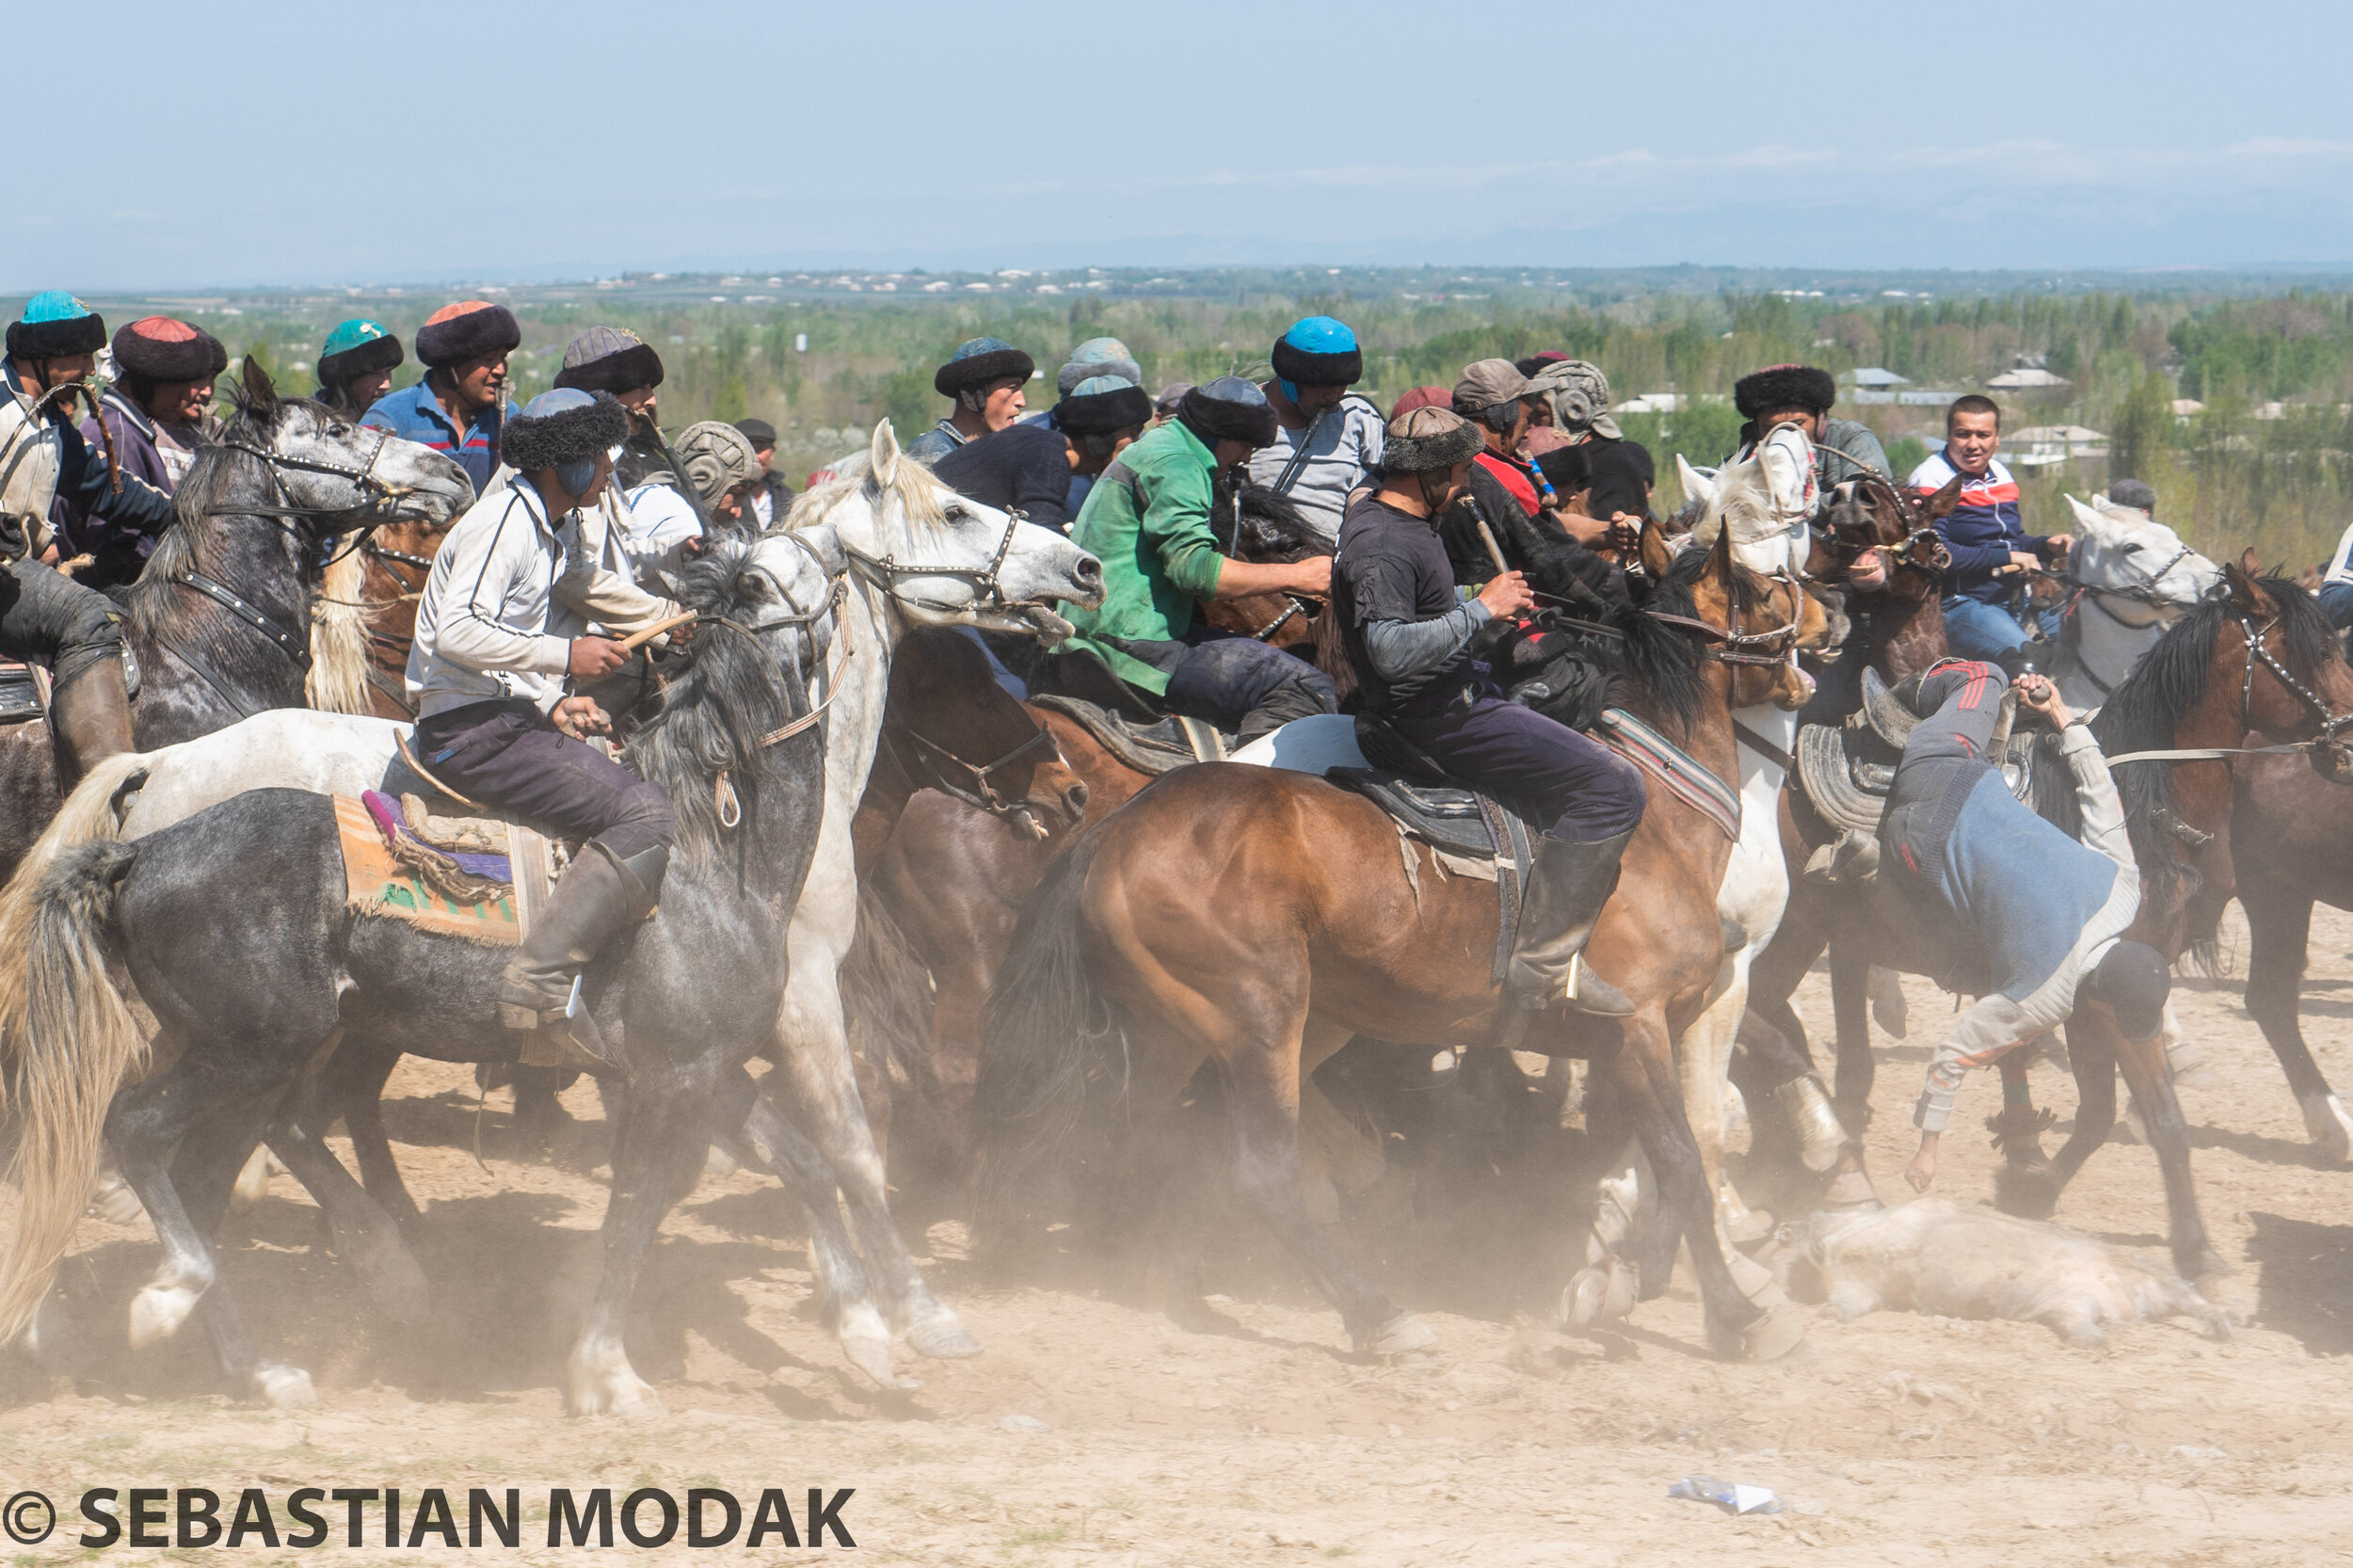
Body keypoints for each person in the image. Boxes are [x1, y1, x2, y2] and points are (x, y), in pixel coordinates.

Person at [1331, 406, 1646, 1017]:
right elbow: (1387, 649)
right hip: (1437, 715)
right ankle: (1546, 964)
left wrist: (1479, 601)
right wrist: (1481, 611)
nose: (1466, 483)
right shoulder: (1383, 541)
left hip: (1459, 690)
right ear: (1431, 474)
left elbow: (1422, 609)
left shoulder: (1409, 521)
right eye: (1460, 471)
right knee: (1615, 786)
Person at [405, 389, 675, 1062]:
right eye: (600, 460)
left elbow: (522, 626)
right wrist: (567, 657)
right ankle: (540, 980)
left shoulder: (546, 526)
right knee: (645, 813)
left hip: (499, 718)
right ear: (567, 464)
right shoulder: (505, 522)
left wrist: (550, 702)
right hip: (470, 734)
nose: (610, 472)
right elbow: (459, 633)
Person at [1876, 660, 2163, 1193]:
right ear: (2104, 1003)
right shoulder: (2046, 1003)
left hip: (1953, 766)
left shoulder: (2125, 888)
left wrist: (2058, 712)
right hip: (1915, 841)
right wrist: (1927, 1150)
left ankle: (1895, 695)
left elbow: (2099, 790)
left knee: (1981, 672)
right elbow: (1951, 1057)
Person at [1054, 376, 1336, 740]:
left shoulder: (1160, 445)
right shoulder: (1178, 463)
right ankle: (1247, 791)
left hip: (1100, 633)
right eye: (1247, 445)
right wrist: (1298, 577)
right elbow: (1195, 572)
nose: (1247, 458)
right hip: (1124, 643)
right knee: (1304, 688)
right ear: (1224, 434)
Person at [0, 294, 174, 779]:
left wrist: (182, 514)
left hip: (18, 571)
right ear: (42, 357)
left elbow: (105, 489)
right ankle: (105, 782)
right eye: (78, 357)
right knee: (91, 615)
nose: (90, 368)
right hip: (6, 575)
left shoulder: (50, 418)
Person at [1436, 360, 1622, 606]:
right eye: (1527, 419)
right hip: (1510, 623)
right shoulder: (1502, 477)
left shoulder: (1446, 464)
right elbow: (1556, 557)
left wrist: (1608, 533)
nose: (1527, 432)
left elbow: (1552, 528)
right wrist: (1629, 588)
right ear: (1502, 416)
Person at [64, 315, 226, 586]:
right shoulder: (118, 436)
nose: (198, 393)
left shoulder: (131, 429)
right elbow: (119, 554)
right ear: (151, 381)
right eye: (185, 382)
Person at [1909, 395, 2072, 663]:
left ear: (1996, 439)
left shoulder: (2000, 473)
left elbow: (2012, 541)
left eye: (1983, 435)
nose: (1973, 444)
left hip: (2016, 595)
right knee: (2028, 662)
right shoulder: (1931, 478)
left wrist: (2046, 545)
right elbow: (1938, 553)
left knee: (2077, 646)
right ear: (1948, 435)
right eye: (1963, 434)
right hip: (1960, 603)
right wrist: (2008, 557)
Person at [934, 374, 1152, 532]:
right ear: (1102, 439)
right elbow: (1046, 540)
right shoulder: (1047, 456)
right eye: (1132, 434)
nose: (1136, 444)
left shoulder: (1039, 445)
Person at [1245, 316, 1385, 546]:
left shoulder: (1358, 416)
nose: (1333, 396)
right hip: (1269, 562)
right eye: (1322, 388)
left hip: (1339, 565)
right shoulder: (1246, 416)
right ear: (1291, 378)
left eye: (1342, 386)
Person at [362, 299, 520, 494]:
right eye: (488, 359)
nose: (501, 370)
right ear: (450, 367)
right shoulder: (389, 419)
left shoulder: (509, 418)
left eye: (503, 357)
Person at [1730, 364, 1889, 487]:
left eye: (1798, 424)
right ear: (1756, 429)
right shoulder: (1742, 460)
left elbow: (1871, 497)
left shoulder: (1852, 440)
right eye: (1770, 428)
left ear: (1820, 419)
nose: (1785, 434)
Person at [905, 337, 1033, 462]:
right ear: (975, 394)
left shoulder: (1008, 452)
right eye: (1012, 388)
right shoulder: (931, 457)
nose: (1022, 402)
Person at [314, 319, 404, 416]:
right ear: (346, 380)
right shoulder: (311, 426)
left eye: (388, 371)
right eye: (376, 374)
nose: (386, 385)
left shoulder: (397, 415)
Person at [730, 417, 794, 526]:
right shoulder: (722, 501)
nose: (754, 457)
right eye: (747, 449)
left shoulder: (788, 499)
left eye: (760, 449)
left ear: (773, 452)